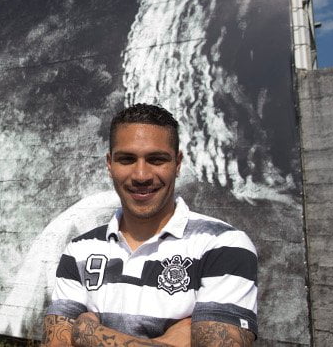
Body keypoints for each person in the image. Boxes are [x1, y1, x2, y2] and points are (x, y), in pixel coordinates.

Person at [43, 103, 257, 346]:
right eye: (127, 159)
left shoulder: (223, 246)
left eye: (156, 159)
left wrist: (87, 333)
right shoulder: (79, 250)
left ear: (177, 163)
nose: (141, 175)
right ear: (109, 164)